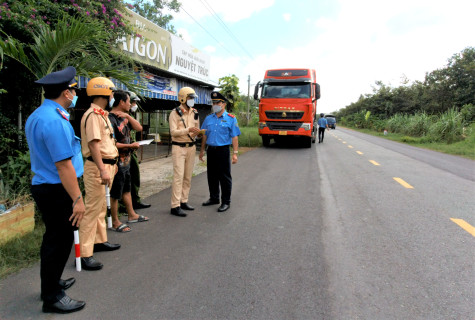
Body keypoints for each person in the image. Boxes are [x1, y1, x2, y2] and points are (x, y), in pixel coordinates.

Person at [25, 66, 86, 313]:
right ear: (65, 93)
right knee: (59, 241)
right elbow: (63, 166)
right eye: (72, 89)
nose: (74, 93)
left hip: (47, 186)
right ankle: (52, 296)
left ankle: (52, 282)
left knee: (54, 238)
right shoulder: (55, 121)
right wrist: (78, 199)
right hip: (58, 188)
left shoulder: (39, 115)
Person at [80, 77, 121, 271]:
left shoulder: (102, 114)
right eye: (111, 92)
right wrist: (103, 169)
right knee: (91, 210)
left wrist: (113, 164)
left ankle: (99, 240)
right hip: (98, 168)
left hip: (107, 166)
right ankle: (84, 254)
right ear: (104, 93)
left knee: (99, 209)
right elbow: (93, 145)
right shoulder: (93, 115)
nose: (113, 96)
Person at [108, 90, 149, 227]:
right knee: (115, 193)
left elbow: (139, 128)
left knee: (127, 189)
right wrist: (130, 145)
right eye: (128, 101)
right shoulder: (110, 119)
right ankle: (115, 221)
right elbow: (111, 143)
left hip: (126, 161)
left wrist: (127, 116)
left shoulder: (124, 117)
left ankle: (131, 214)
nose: (131, 104)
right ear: (121, 102)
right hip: (116, 162)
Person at [199, 91, 241, 212]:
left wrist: (235, 154)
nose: (215, 104)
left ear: (223, 104)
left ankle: (226, 202)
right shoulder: (208, 118)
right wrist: (202, 150)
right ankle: (214, 198)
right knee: (211, 176)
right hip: (211, 151)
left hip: (223, 151)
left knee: (224, 177)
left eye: (217, 102)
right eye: (213, 103)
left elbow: (234, 137)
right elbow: (204, 135)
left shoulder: (231, 119)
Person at [169, 87, 201, 217]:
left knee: (187, 176)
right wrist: (187, 130)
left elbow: (196, 129)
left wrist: (198, 133)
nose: (192, 100)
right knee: (178, 177)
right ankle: (175, 205)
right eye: (190, 98)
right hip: (179, 147)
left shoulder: (195, 113)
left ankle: (184, 201)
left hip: (191, 147)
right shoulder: (174, 113)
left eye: (193, 98)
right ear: (183, 98)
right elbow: (173, 132)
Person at [128, 92, 151, 210]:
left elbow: (139, 128)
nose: (134, 104)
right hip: (124, 152)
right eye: (133, 102)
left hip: (132, 151)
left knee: (135, 177)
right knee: (127, 180)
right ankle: (125, 205)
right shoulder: (119, 116)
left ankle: (135, 200)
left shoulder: (129, 115)